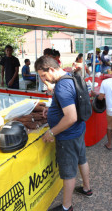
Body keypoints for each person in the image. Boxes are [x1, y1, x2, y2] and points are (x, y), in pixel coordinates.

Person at [35, 56, 92, 211]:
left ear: (51, 69)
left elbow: (71, 117)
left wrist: (52, 132)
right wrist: (53, 107)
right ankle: (87, 188)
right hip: (79, 130)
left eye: (43, 75)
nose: (43, 79)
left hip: (68, 136)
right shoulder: (69, 76)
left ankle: (67, 206)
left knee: (68, 172)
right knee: (82, 159)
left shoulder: (62, 86)